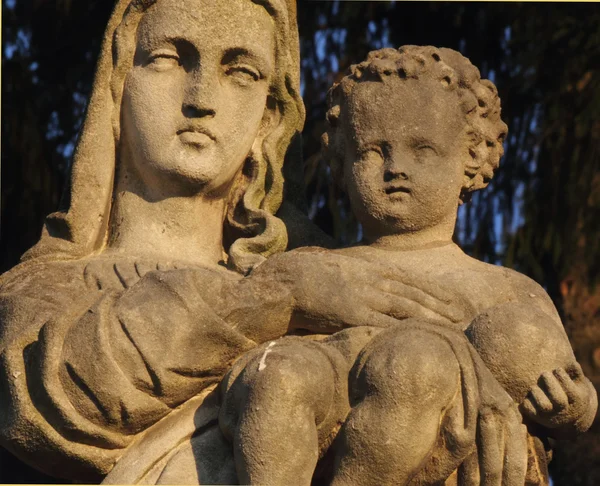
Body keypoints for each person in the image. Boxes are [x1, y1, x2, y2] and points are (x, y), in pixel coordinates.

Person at [0, 3, 451, 483]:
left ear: (269, 115)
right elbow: (53, 394)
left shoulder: (337, 279)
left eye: (240, 71)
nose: (201, 99)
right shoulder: (36, 293)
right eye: (169, 59)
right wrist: (271, 298)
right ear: (119, 83)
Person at [218, 46, 598, 486]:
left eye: (423, 150)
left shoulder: (508, 288)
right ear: (342, 161)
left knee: (414, 362)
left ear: (471, 157)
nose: (396, 168)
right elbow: (236, 323)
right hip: (320, 405)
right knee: (279, 375)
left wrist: (573, 405)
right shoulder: (312, 269)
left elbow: (572, 391)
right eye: (373, 151)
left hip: (416, 416)